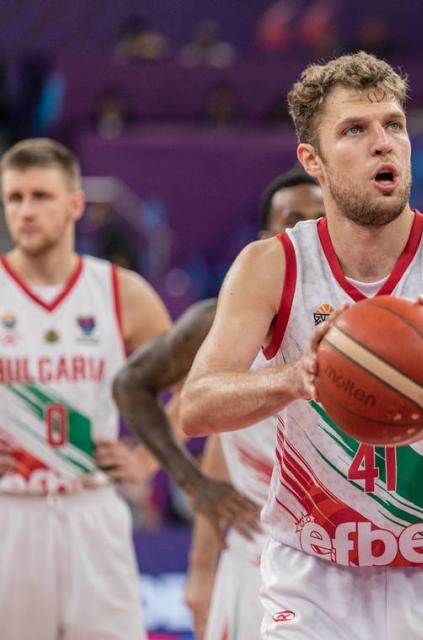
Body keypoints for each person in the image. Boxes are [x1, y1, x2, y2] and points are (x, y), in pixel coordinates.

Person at [179, 51, 423, 639]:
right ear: (312, 160)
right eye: (355, 130)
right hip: (316, 583)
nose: (383, 143)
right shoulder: (272, 265)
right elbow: (196, 408)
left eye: (394, 125)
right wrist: (295, 378)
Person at [112, 167, 326, 640]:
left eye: (321, 217)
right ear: (270, 237)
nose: (309, 231)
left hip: (355, 554)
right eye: (294, 220)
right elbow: (217, 441)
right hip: (260, 556)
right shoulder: (227, 323)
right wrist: (201, 564)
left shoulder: (372, 322)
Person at [0, 138, 172, 639]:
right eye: (14, 198)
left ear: (76, 203)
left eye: (40, 196)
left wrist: (147, 459)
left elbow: (196, 387)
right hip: (10, 510)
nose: (25, 211)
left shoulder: (121, 291)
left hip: (91, 506)